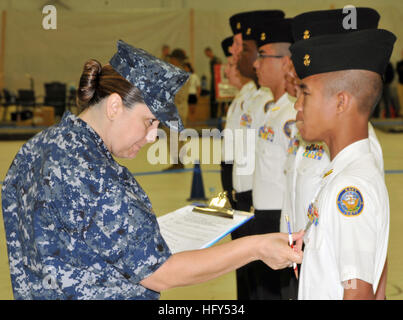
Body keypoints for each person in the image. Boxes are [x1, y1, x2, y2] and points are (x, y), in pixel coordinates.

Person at [1, 40, 303, 300]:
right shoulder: (93, 173)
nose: (151, 137)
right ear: (115, 106)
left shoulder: (41, 145)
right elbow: (161, 274)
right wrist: (258, 246)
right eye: (149, 122)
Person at [279, 7, 386, 300]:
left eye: (306, 94)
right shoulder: (338, 173)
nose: (297, 106)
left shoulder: (350, 189)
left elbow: (358, 290)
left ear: (341, 102)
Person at [229, 10, 288, 300]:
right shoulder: (268, 105)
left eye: (248, 49)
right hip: (254, 205)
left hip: (276, 216)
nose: (253, 61)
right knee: (253, 288)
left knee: (270, 291)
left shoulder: (286, 111)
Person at [246, 18, 297, 300]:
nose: (256, 63)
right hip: (263, 215)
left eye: (262, 56)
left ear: (285, 61)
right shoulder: (273, 108)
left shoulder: (293, 115)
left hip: (281, 219)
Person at [165, 48, 190, 170]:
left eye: (172, 58)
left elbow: (179, 95)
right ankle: (177, 162)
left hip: (176, 110)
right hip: (174, 109)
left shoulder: (180, 73)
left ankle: (178, 162)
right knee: (173, 136)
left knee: (175, 137)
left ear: (175, 59)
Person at [204, 47, 222, 119]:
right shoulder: (211, 60)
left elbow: (219, 69)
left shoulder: (215, 60)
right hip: (213, 80)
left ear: (209, 52)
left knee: (215, 98)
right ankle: (213, 115)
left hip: (216, 80)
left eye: (206, 53)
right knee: (212, 98)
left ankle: (215, 115)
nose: (206, 55)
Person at [396, 49, 403, 116]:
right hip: (400, 83)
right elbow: (398, 72)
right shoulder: (399, 63)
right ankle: (401, 112)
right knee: (401, 98)